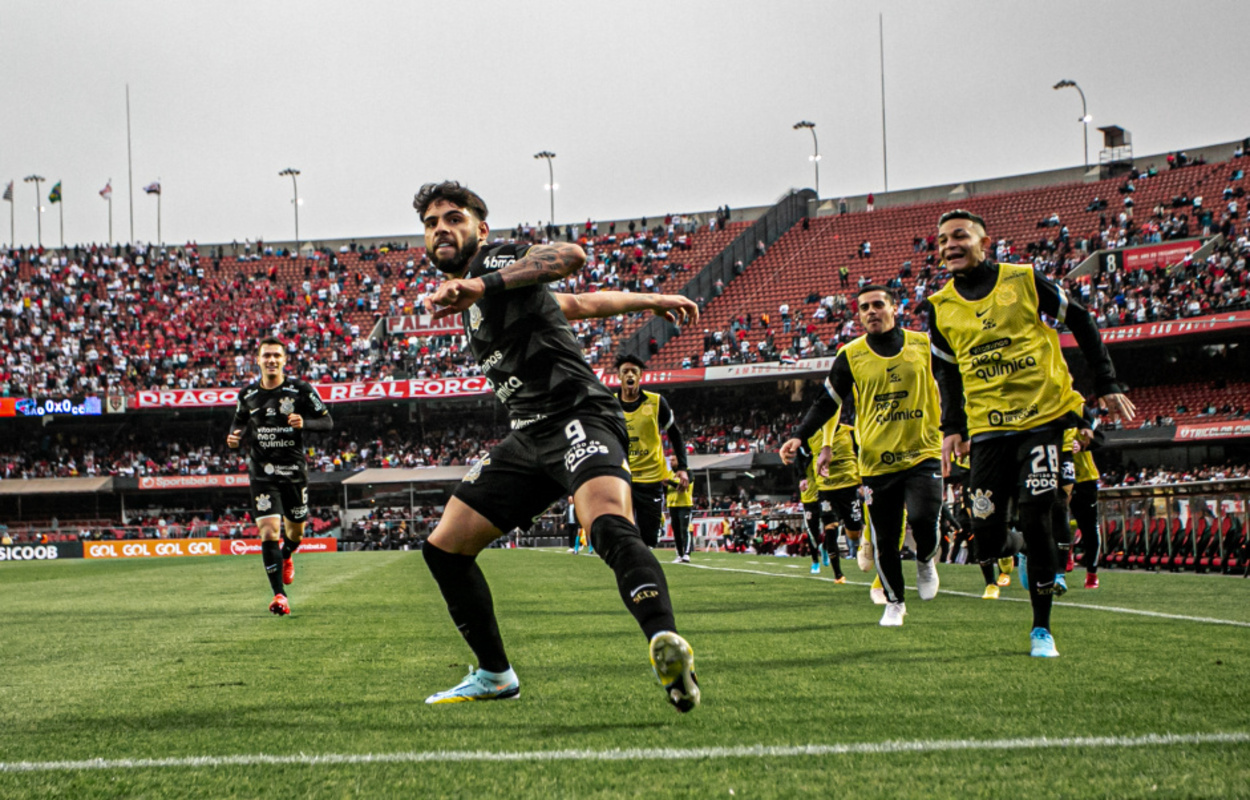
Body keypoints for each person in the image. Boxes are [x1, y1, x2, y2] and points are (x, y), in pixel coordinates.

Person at [415, 181, 701, 711]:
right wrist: (651, 299)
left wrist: (481, 286)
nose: (441, 230)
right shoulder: (476, 291)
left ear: (480, 228)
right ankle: (495, 674)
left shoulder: (496, 261)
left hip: (578, 414)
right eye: (431, 224)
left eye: (453, 219)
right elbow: (577, 303)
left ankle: (666, 644)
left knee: (607, 524)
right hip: (528, 435)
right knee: (444, 549)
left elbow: (570, 257)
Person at [926, 209, 1134, 658]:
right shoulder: (939, 306)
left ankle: (1042, 629)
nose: (949, 245)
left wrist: (1106, 381)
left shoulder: (1021, 279)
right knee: (985, 533)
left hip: (1041, 419)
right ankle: (1015, 547)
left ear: (985, 241)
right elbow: (946, 373)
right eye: (942, 240)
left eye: (960, 236)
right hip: (985, 431)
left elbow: (1079, 318)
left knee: (1038, 513)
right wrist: (952, 428)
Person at [780, 285, 944, 627]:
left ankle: (926, 559)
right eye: (864, 307)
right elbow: (827, 402)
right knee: (885, 539)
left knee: (924, 519)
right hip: (876, 462)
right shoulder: (851, 354)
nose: (872, 311)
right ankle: (895, 603)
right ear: (858, 315)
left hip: (922, 452)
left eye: (878, 304)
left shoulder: (923, 345)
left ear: (893, 308)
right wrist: (799, 436)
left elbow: (953, 377)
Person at [226, 336, 333, 616]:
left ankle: (287, 555)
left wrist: (304, 422)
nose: (271, 360)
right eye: (266, 356)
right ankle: (279, 596)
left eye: (276, 355)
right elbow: (238, 420)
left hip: (294, 473)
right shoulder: (247, 395)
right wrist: (234, 437)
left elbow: (327, 421)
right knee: (269, 531)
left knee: (295, 532)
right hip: (262, 473)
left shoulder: (300, 390)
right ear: (258, 360)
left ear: (284, 360)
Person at [614, 354, 691, 550]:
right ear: (619, 377)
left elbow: (675, 434)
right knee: (624, 532)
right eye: (625, 372)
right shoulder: (610, 404)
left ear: (640, 377)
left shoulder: (657, 402)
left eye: (634, 372)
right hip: (622, 477)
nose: (630, 375)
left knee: (649, 538)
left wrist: (682, 467)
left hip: (651, 478)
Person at [801, 418, 864, 581]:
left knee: (854, 534)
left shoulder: (850, 432)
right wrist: (802, 477)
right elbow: (801, 458)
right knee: (830, 529)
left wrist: (864, 479)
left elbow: (861, 453)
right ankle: (838, 574)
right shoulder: (812, 436)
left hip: (849, 488)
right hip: (826, 490)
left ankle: (863, 544)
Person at [666, 456, 695, 563]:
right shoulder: (669, 474)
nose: (671, 462)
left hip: (685, 504)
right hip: (672, 505)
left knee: (685, 529)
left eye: (673, 460)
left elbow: (684, 484)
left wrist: (669, 482)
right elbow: (666, 488)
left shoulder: (687, 473)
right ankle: (679, 554)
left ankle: (687, 553)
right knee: (676, 531)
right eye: (670, 460)